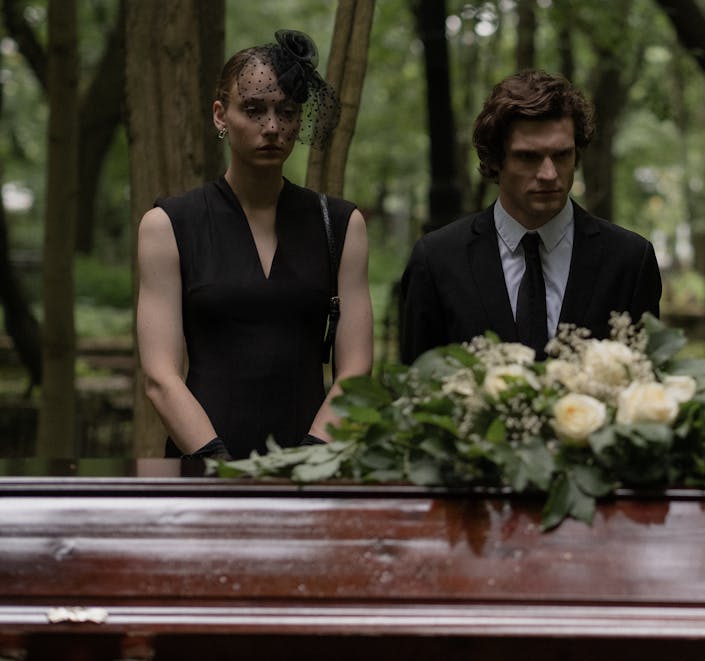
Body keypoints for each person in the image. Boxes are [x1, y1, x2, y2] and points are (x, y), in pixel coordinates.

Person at [136, 30, 373, 460]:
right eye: (253, 109)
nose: (271, 127)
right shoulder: (168, 225)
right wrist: (218, 466)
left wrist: (309, 461)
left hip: (314, 468)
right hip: (201, 467)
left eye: (285, 111)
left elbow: (355, 371)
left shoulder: (340, 225)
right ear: (220, 116)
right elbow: (159, 376)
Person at [398, 69, 661, 363]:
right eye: (528, 157)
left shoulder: (629, 261)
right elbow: (414, 390)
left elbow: (644, 387)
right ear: (495, 160)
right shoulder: (437, 260)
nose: (549, 174)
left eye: (561, 155)